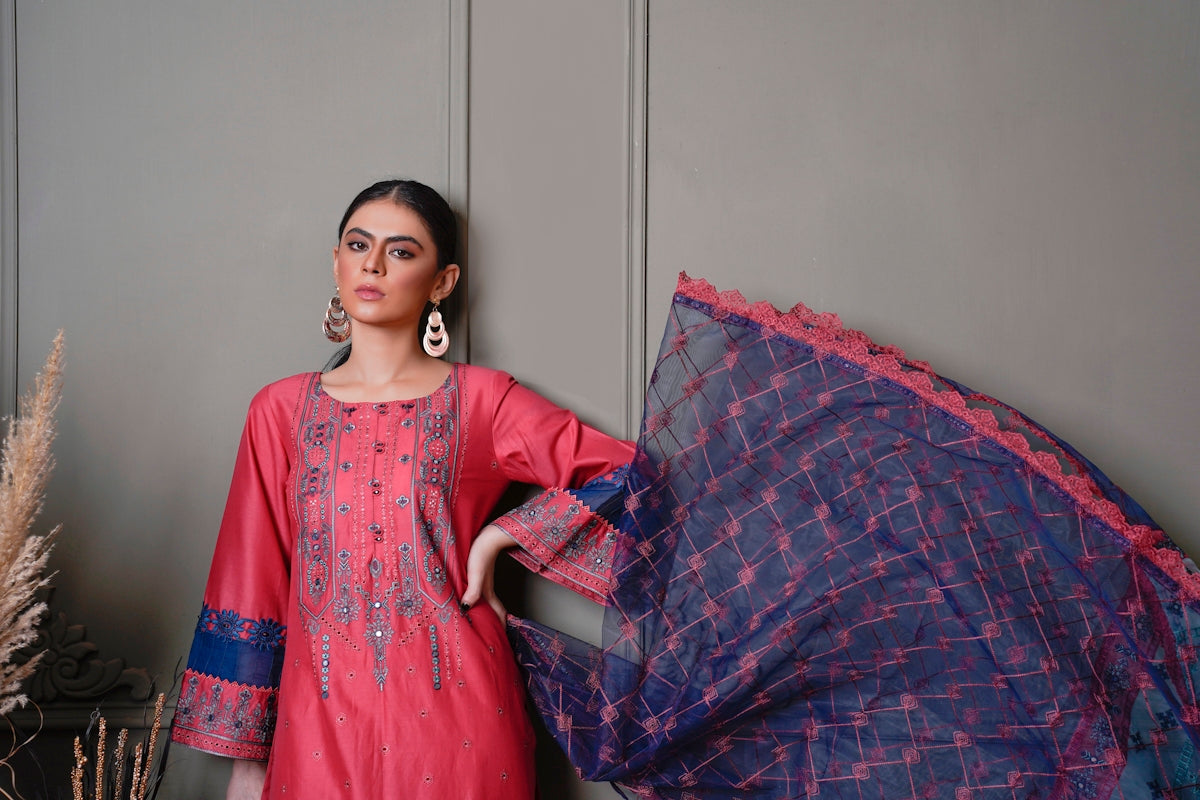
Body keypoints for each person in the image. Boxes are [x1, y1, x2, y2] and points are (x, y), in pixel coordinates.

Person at [169, 179, 633, 799]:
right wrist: (247, 769)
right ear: (335, 261)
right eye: (358, 244)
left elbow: (638, 480)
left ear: (442, 282)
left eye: (402, 250)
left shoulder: (482, 403)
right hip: (315, 730)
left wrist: (503, 536)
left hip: (463, 723)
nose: (373, 263)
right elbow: (251, 584)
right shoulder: (279, 411)